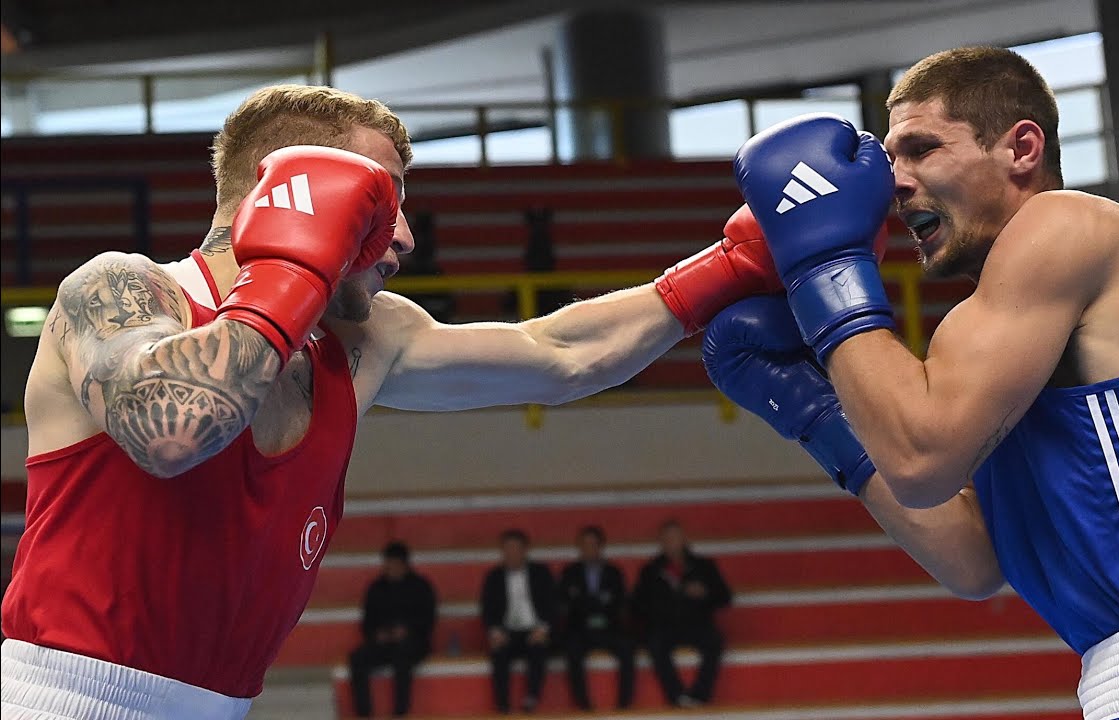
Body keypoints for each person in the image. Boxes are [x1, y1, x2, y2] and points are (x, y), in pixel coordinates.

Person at [0, 83, 782, 719]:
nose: (404, 238)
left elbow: (560, 354)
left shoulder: (365, 340)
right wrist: (292, 272)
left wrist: (735, 265)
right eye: (380, 204)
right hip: (59, 703)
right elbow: (169, 430)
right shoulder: (120, 291)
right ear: (292, 190)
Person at [707, 46, 1119, 720]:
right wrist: (817, 413)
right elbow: (973, 559)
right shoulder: (998, 341)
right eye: (891, 158)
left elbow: (920, 459)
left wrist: (823, 269)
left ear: (1021, 147)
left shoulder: (1071, 225)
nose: (896, 182)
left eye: (921, 149)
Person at [632, 520, 731, 708]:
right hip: (665, 626)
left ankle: (700, 696)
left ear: (684, 539)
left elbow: (725, 597)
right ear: (660, 541)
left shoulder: (704, 565)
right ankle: (677, 696)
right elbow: (637, 605)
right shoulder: (650, 570)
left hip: (697, 624)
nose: (672, 542)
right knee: (654, 643)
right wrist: (659, 605)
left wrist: (705, 593)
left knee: (715, 641)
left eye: (676, 537)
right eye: (667, 538)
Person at [348, 541, 437, 718]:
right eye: (387, 564)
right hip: (382, 642)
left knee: (402, 657)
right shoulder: (375, 588)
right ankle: (364, 713)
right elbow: (367, 622)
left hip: (413, 642)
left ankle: (400, 712)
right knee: (357, 658)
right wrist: (377, 634)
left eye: (394, 564)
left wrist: (407, 631)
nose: (390, 568)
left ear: (405, 565)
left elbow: (428, 619)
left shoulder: (421, 586)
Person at [480, 529, 559, 715]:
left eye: (516, 548)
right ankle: (502, 704)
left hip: (534, 629)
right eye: (507, 549)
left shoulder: (541, 572)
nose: (511, 553)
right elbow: (487, 609)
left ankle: (532, 697)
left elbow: (553, 604)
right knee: (498, 652)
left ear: (525, 550)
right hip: (507, 631)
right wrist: (495, 632)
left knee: (538, 649)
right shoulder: (493, 576)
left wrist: (544, 629)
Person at [559, 525, 634, 711]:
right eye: (584, 545)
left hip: (609, 627)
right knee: (572, 649)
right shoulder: (569, 572)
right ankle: (583, 705)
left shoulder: (614, 572)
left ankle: (624, 704)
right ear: (579, 547)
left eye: (593, 544)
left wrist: (586, 602)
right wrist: (597, 603)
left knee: (627, 647)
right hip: (580, 629)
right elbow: (565, 602)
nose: (589, 549)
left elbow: (619, 601)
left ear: (601, 546)